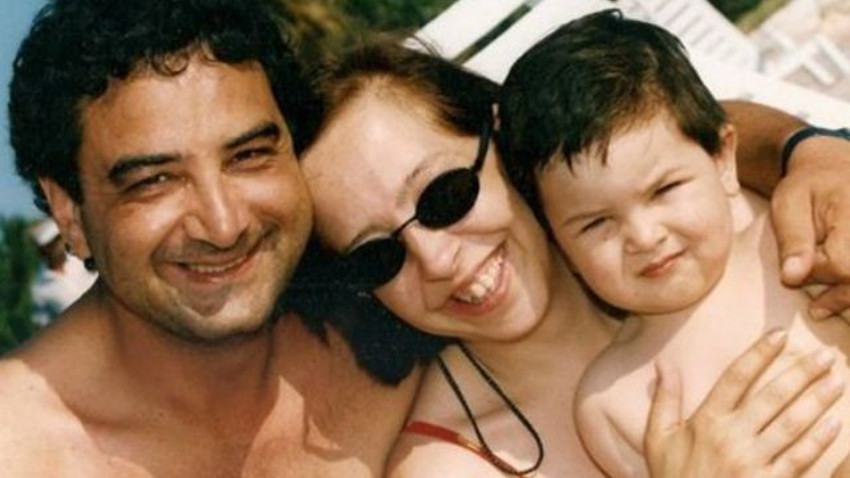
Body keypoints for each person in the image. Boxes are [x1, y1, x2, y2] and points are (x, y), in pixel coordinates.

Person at [298, 37, 850, 477]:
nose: (437, 259)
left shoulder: (691, 208)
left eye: (445, 197)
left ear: (504, 143)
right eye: (376, 256)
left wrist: (813, 150)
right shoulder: (455, 465)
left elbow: (693, 129)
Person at [0, 1, 420, 476]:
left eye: (249, 156)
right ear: (70, 215)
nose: (224, 226)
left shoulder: (408, 317)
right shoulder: (17, 453)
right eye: (154, 181)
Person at [496, 10, 850, 477]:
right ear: (562, 248)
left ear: (723, 159)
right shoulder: (610, 402)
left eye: (664, 190)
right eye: (597, 223)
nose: (645, 237)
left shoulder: (790, 245)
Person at [28, 218, 97, 326]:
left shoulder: (81, 258)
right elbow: (43, 324)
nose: (59, 245)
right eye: (53, 243)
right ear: (44, 250)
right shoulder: (40, 288)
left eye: (59, 239)